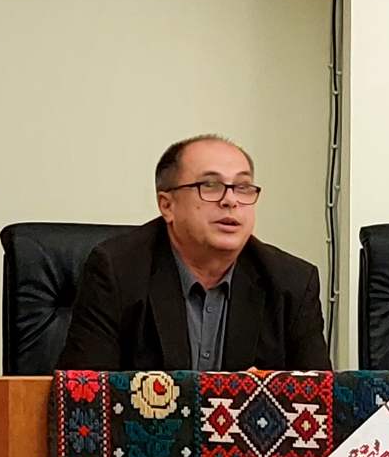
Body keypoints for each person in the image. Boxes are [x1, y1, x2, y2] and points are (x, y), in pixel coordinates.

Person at [57, 134, 330, 371]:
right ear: (167, 205)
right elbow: (84, 396)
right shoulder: (118, 271)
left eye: (243, 187)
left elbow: (320, 403)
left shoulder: (291, 283)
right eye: (209, 185)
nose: (230, 200)